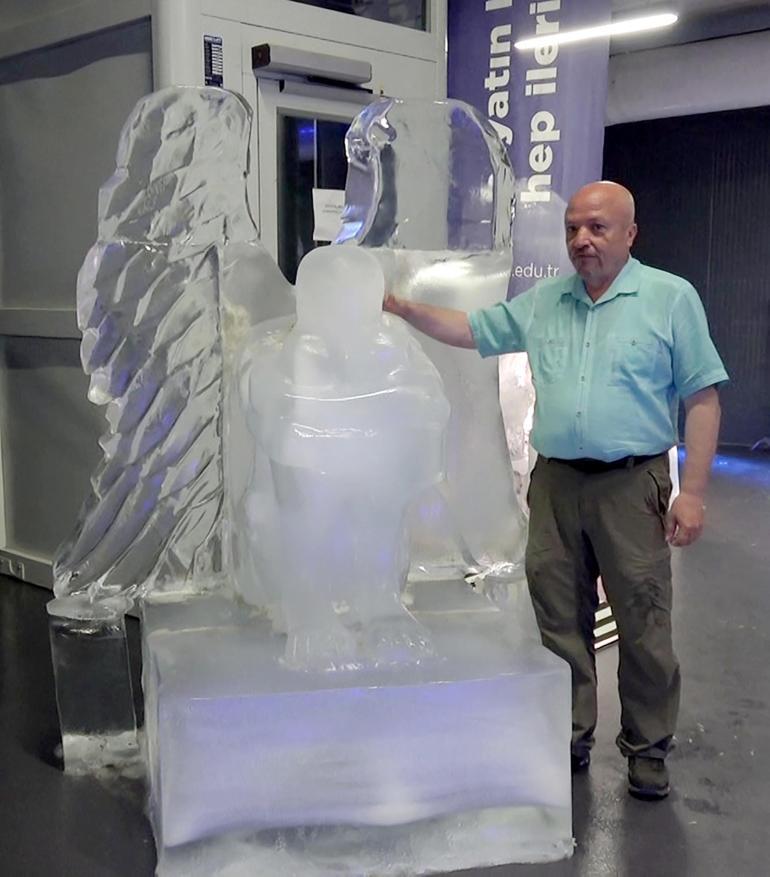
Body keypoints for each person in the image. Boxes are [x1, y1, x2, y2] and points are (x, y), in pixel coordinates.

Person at [384, 180, 728, 800]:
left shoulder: (670, 299)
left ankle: (648, 750)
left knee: (643, 622)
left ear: (630, 234)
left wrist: (693, 491)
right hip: (556, 484)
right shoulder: (546, 301)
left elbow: (702, 397)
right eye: (573, 228)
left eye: (597, 228)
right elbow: (472, 330)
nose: (581, 240)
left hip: (632, 485)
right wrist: (404, 308)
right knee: (558, 620)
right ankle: (567, 733)